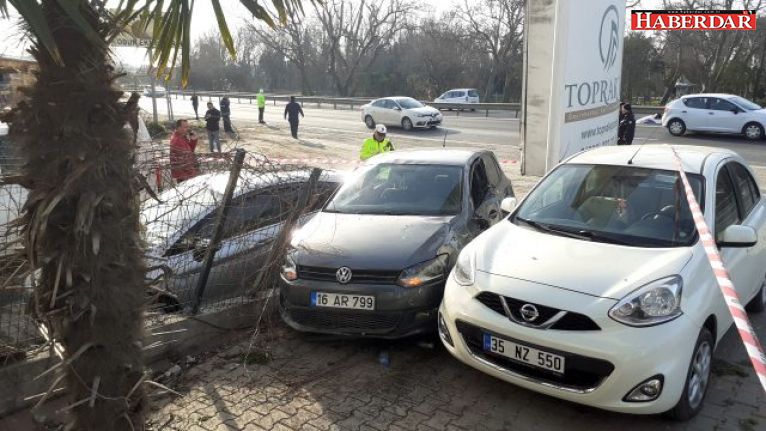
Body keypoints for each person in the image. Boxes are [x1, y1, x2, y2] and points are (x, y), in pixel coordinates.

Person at [169, 119, 199, 183]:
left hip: (186, 173)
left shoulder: (182, 137)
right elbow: (185, 160)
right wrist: (193, 173)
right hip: (184, 174)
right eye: (185, 127)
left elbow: (190, 151)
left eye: (188, 127)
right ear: (179, 128)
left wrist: (193, 140)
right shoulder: (176, 140)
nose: (188, 129)